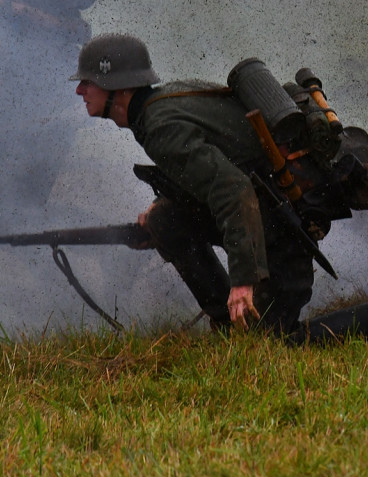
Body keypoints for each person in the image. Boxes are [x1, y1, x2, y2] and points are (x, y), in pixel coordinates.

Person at [71, 33, 335, 333]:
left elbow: (233, 189)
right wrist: (160, 208)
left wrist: (242, 282)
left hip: (284, 230)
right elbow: (211, 172)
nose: (80, 89)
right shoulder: (159, 108)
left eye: (88, 81)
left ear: (116, 87)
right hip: (271, 216)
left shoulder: (160, 125)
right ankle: (228, 324)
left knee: (272, 339)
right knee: (165, 219)